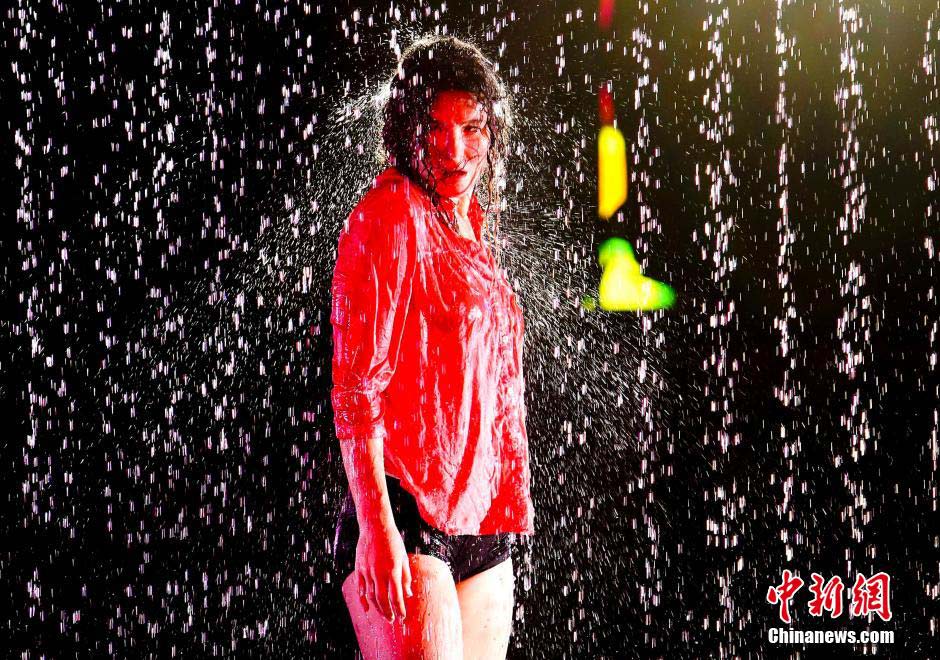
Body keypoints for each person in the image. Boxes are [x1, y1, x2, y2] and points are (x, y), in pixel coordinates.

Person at [329, 36, 534, 659]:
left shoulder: (473, 232)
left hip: (482, 524)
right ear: (407, 131)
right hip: (407, 512)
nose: (455, 149)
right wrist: (376, 529)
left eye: (471, 128)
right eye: (436, 128)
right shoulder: (392, 212)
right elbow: (356, 387)